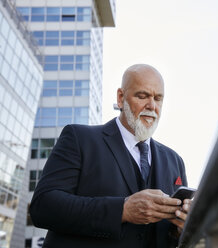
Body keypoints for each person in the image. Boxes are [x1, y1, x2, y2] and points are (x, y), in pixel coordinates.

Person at [30, 64, 191, 248]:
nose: (152, 106)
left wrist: (181, 229)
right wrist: (123, 210)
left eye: (158, 98)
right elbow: (43, 207)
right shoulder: (79, 138)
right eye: (142, 96)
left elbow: (171, 239)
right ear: (121, 98)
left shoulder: (175, 161)